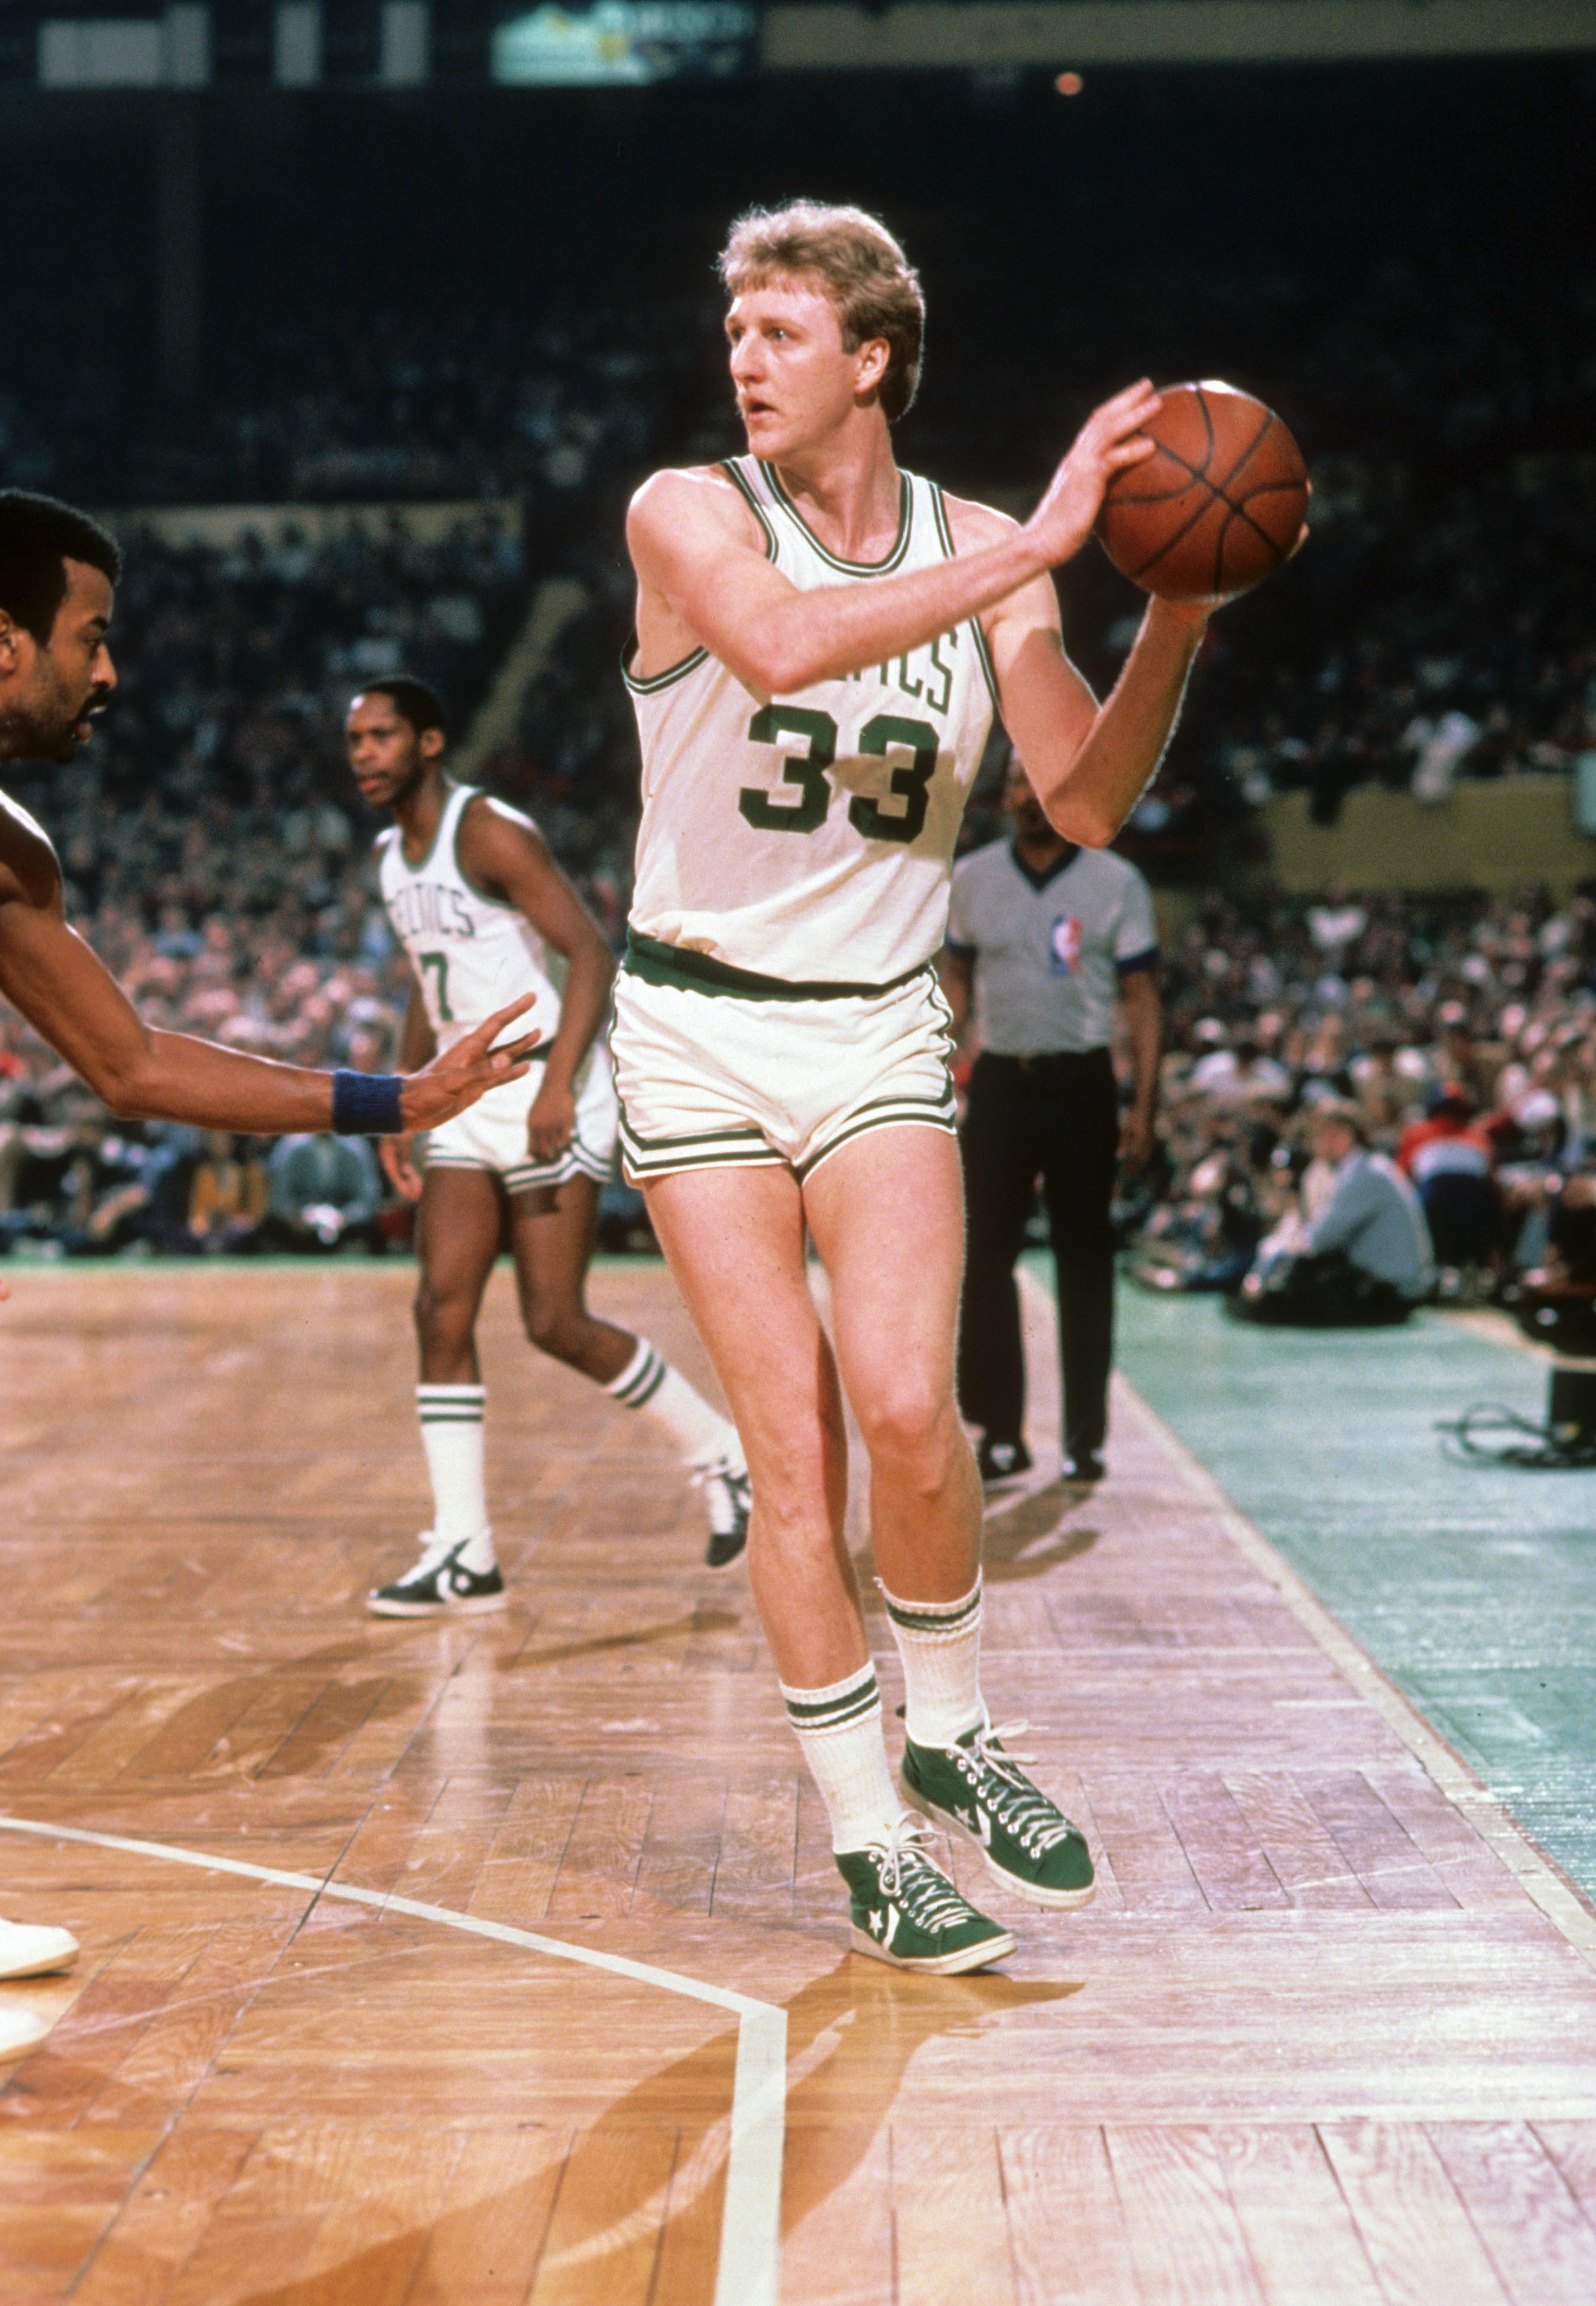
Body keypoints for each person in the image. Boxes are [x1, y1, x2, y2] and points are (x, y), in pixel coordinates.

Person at [615, 202, 1228, 1973]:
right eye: (734, 328)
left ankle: (952, 1730)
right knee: (794, 1451)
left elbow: (1084, 800)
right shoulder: (686, 509)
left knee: (909, 1407)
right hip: (699, 1022)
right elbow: (790, 649)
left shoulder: (987, 559)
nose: (742, 357)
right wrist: (1044, 535)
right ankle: (871, 1839)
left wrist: (1174, 611)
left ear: (871, 357)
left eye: (782, 331)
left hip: (879, 1019)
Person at [0, 491, 536, 2037]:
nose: (114, 674)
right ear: (7, 638)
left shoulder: (11, 850)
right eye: (93, 639)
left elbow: (132, 1060)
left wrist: (396, 1095)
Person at [347, 678, 750, 1614]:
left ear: (431, 740)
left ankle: (720, 1453)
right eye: (355, 740)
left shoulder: (489, 831)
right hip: (464, 1099)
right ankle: (464, 1550)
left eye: (381, 737)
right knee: (438, 1310)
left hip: (541, 1087)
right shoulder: (387, 856)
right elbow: (424, 981)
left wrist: (562, 1084)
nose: (363, 753)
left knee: (553, 1321)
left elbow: (590, 953)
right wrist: (401, 1102)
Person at [944, 756, 1162, 1486]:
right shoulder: (973, 877)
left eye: (1041, 788)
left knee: (1086, 1264)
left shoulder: (1114, 881)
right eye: (1016, 787)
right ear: (1003, 796)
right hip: (1004, 1079)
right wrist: (942, 1057)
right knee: (984, 1259)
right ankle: (1000, 1431)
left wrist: (1145, 1104)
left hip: (1082, 1081)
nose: (1027, 801)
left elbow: (1143, 998)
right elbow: (957, 978)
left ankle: (1085, 1439)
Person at [1234, 1103, 1432, 1324]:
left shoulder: (1366, 1175)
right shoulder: (1360, 1169)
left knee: (1272, 1300)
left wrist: (1269, 1259)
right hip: (1384, 1285)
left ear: (1353, 1135)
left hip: (1392, 1291)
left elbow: (1317, 1241)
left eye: (1335, 1133)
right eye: (1322, 1134)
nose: (1325, 1141)